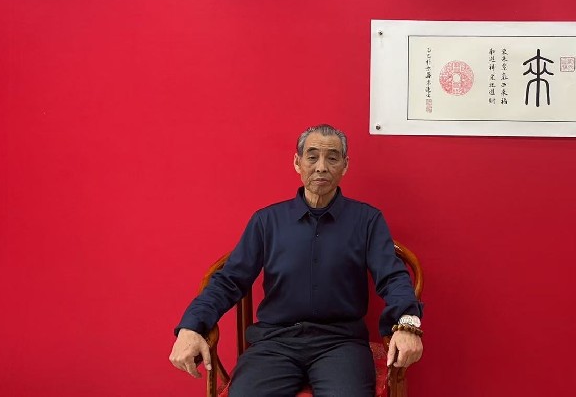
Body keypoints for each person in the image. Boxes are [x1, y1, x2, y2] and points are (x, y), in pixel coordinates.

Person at [169, 124, 423, 397]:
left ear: (345, 165)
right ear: (297, 162)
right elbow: (229, 280)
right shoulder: (267, 221)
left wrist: (408, 323)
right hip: (274, 342)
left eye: (332, 158)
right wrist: (192, 325)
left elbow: (393, 277)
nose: (321, 167)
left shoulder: (367, 220)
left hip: (341, 343)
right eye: (312, 157)